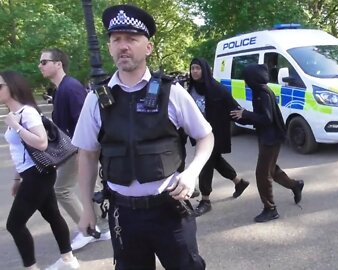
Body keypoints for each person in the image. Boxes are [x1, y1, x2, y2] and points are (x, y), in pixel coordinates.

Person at [73, 4, 213, 269]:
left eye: (131, 39)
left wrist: (192, 172)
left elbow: (206, 136)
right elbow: (87, 154)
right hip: (123, 215)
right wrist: (87, 208)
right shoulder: (96, 99)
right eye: (116, 39)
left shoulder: (171, 92)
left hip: (170, 210)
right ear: (110, 47)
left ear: (147, 47)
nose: (123, 46)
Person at [1, 71, 79, 270]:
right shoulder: (16, 115)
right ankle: (68, 260)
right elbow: (21, 151)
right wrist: (17, 179)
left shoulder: (27, 113)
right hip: (30, 173)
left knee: (14, 224)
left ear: (13, 87)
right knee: (52, 214)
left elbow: (41, 143)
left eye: (0, 86)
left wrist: (16, 127)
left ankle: (32, 267)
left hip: (38, 175)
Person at [38, 48, 111, 250]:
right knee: (89, 186)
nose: (40, 66)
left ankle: (90, 229)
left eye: (44, 62)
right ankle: (98, 227)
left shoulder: (70, 87)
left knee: (64, 188)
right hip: (73, 148)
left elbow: (84, 122)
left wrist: (83, 152)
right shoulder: (62, 88)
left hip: (77, 148)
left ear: (58, 64)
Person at [230, 64, 304, 223]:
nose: (245, 81)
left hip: (270, 138)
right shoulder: (261, 90)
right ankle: (295, 185)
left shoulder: (262, 93)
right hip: (268, 136)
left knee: (262, 174)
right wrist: (244, 115)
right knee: (270, 169)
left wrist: (246, 113)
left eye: (246, 78)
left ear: (253, 78)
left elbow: (266, 118)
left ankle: (270, 209)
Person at [188, 58, 249, 216]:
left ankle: (205, 200)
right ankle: (239, 183)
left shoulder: (216, 88)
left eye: (198, 68)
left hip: (214, 134)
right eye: (192, 68)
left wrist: (249, 118)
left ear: (205, 70)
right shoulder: (191, 88)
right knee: (216, 161)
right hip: (198, 132)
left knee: (206, 163)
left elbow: (233, 107)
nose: (194, 71)